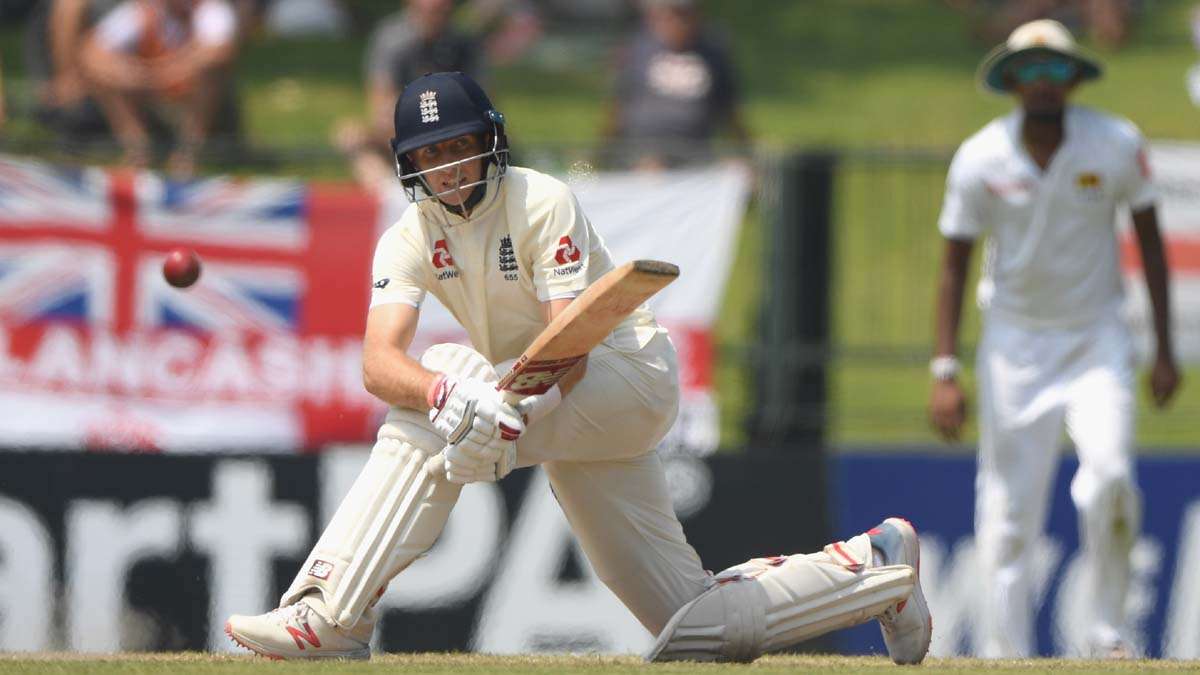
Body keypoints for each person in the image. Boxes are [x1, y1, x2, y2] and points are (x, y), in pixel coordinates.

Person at [225, 71, 932, 664]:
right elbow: (378, 363)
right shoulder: (408, 237)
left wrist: (509, 408)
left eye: (461, 146)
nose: (449, 167)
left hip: (622, 378)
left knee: (446, 382)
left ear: (490, 141)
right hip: (544, 400)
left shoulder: (541, 200)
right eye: (431, 153)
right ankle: (876, 566)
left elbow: (576, 332)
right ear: (409, 162)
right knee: (694, 627)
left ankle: (331, 612)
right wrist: (453, 396)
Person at [928, 19, 1180, 658]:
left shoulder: (1114, 143)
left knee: (1111, 478)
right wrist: (944, 369)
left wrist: (1165, 350)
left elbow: (1150, 240)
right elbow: (954, 260)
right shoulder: (981, 156)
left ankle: (1107, 634)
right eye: (1030, 70)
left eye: (1054, 69)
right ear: (1012, 79)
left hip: (1099, 341)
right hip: (1015, 346)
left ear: (1072, 76)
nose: (1042, 82)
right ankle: (1001, 653)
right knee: (1009, 512)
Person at [77, 0, 242, 176]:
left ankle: (188, 155)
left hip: (201, 104)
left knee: (210, 74)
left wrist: (166, 72)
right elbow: (90, 52)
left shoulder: (210, 9)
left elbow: (218, 52)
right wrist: (129, 72)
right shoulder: (142, 11)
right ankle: (137, 150)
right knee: (102, 74)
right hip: (151, 96)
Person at [333, 0, 481, 194]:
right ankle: (389, 193)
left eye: (442, 10)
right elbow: (382, 101)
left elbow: (480, 97)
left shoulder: (463, 42)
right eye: (430, 10)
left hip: (452, 129)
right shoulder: (391, 38)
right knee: (349, 135)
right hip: (405, 127)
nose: (436, 16)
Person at [600, 0, 750, 170]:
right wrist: (602, 151)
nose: (678, 22)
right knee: (653, 171)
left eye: (685, 14)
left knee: (737, 171)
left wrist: (748, 153)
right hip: (645, 151)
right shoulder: (637, 49)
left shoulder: (713, 54)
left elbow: (730, 112)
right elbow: (618, 108)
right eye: (672, 14)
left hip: (697, 152)